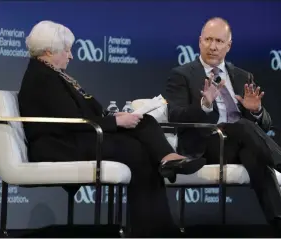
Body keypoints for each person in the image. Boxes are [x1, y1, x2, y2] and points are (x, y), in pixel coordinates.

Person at [18, 20, 205, 237]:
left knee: (145, 122)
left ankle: (168, 160)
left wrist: (114, 117)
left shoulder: (52, 73)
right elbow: (69, 119)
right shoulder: (42, 77)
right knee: (136, 151)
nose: (71, 56)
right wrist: (115, 123)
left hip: (76, 136)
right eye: (67, 50)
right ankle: (152, 230)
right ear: (49, 51)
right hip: (60, 144)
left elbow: (84, 111)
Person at [164, 17, 281, 235]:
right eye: (208, 40)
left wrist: (256, 111)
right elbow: (174, 114)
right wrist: (204, 105)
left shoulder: (242, 76)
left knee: (253, 151)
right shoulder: (182, 74)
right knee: (244, 130)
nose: (213, 46)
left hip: (241, 143)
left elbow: (265, 123)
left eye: (219, 41)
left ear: (228, 46)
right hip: (205, 145)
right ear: (199, 41)